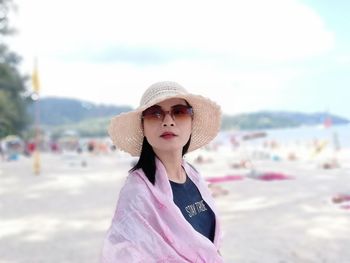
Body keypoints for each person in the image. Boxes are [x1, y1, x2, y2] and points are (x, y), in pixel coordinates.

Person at [101, 81, 224, 262]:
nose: (168, 121)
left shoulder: (194, 176)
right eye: (155, 113)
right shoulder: (137, 193)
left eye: (179, 112)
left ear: (191, 122)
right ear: (143, 127)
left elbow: (211, 248)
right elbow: (124, 254)